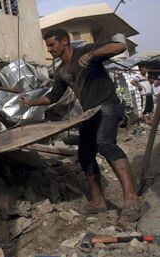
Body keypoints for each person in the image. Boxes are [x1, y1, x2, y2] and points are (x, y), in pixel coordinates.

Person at [19, 28, 141, 216]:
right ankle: (98, 201)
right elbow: (53, 96)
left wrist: (93, 54)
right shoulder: (60, 71)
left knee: (105, 143)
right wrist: (32, 102)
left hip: (108, 105)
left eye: (52, 45)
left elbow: (120, 46)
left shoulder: (85, 51)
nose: (49, 49)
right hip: (90, 113)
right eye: (48, 46)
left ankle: (131, 198)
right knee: (85, 153)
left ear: (65, 41)